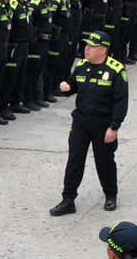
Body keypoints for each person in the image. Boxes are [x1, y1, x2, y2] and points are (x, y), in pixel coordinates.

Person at [53, 32, 127, 216]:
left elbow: (121, 102)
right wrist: (66, 88)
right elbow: (72, 87)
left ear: (103, 50)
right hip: (81, 122)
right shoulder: (82, 66)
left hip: (103, 124)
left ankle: (110, 195)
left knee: (105, 162)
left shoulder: (116, 70)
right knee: (74, 160)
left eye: (92, 46)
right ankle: (68, 199)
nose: (87, 48)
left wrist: (114, 127)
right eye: (87, 45)